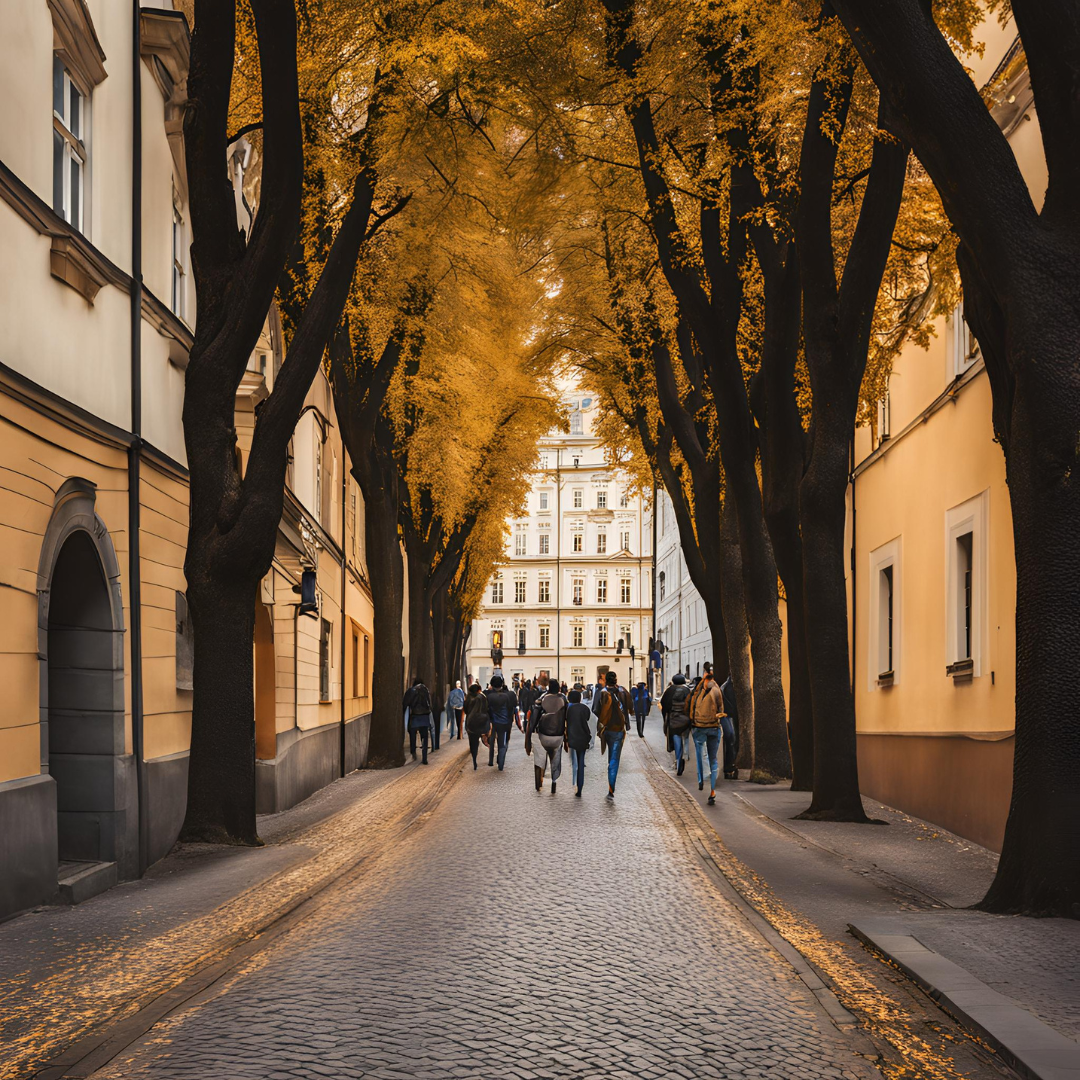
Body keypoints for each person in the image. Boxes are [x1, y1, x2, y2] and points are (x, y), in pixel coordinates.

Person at [593, 670, 634, 799]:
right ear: (616, 680)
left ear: (606, 681)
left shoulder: (601, 692)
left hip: (606, 728)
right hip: (619, 729)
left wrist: (603, 717)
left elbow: (594, 709)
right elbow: (630, 707)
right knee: (614, 759)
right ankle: (611, 788)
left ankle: (610, 784)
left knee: (610, 756)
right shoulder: (622, 691)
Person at [688, 668, 725, 804]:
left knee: (700, 754)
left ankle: (701, 780)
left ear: (706, 679)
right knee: (713, 758)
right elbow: (721, 708)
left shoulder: (699, 691)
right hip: (714, 727)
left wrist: (692, 721)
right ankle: (712, 789)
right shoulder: (717, 690)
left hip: (700, 727)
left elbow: (692, 707)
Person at [530, 683, 568, 793]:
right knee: (555, 758)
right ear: (559, 689)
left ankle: (539, 782)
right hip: (558, 734)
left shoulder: (541, 698)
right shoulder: (563, 699)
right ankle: (554, 782)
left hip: (543, 733)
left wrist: (531, 730)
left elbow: (535, 716)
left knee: (540, 756)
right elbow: (567, 716)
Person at [660, 672, 692, 775]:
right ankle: (685, 755)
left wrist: (666, 716)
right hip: (686, 719)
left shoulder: (669, 691)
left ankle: (679, 760)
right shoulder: (687, 690)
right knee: (686, 737)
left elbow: (664, 704)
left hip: (674, 719)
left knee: (676, 738)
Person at [483, 674, 517, 770]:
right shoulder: (509, 695)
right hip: (506, 722)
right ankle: (501, 759)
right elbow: (513, 708)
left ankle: (493, 759)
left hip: (493, 722)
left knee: (493, 740)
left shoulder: (488, 695)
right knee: (504, 742)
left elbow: (486, 709)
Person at [566, 688, 592, 797]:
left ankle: (575, 783)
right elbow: (587, 718)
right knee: (581, 762)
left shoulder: (569, 709)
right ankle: (580, 787)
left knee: (574, 762)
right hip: (583, 736)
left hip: (572, 737)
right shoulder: (584, 708)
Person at [402, 677, 433, 764]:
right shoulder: (426, 690)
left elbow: (405, 703)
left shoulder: (411, 691)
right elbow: (429, 704)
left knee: (412, 734)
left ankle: (413, 752)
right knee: (425, 737)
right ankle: (424, 757)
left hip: (415, 716)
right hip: (425, 716)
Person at [463, 683, 490, 769]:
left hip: (471, 724)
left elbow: (466, 710)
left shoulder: (468, 698)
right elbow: (486, 709)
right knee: (485, 738)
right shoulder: (482, 697)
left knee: (472, 742)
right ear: (478, 690)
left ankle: (474, 758)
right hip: (482, 722)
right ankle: (492, 756)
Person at [719, 673, 739, 779]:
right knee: (732, 740)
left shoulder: (725, 685)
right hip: (729, 717)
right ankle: (730, 766)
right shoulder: (730, 687)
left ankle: (729, 766)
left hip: (727, 717)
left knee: (730, 741)